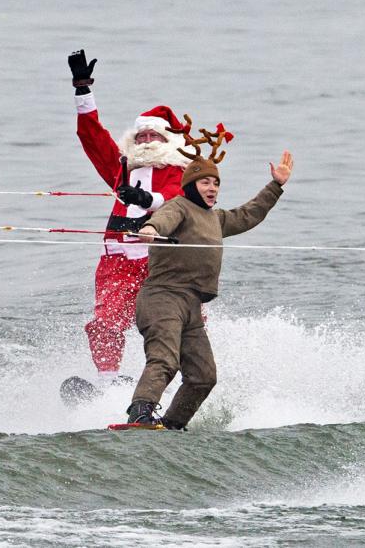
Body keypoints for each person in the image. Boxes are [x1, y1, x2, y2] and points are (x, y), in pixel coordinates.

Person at [125, 120, 293, 430]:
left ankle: (172, 424)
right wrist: (150, 229)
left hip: (192, 307)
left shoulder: (216, 218)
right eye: (205, 183)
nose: (212, 188)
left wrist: (276, 186)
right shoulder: (180, 206)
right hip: (163, 297)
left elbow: (249, 214)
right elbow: (163, 219)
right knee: (165, 361)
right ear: (191, 186)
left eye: (216, 184)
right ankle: (140, 413)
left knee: (204, 376)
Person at [69, 49, 188, 386]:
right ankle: (106, 385)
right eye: (142, 136)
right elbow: (92, 138)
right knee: (103, 324)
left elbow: (178, 200)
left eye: (154, 136)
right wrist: (82, 89)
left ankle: (177, 382)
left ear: (169, 142)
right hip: (117, 263)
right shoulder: (122, 169)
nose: (147, 141)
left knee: (172, 324)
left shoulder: (183, 171)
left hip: (162, 262)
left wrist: (147, 199)